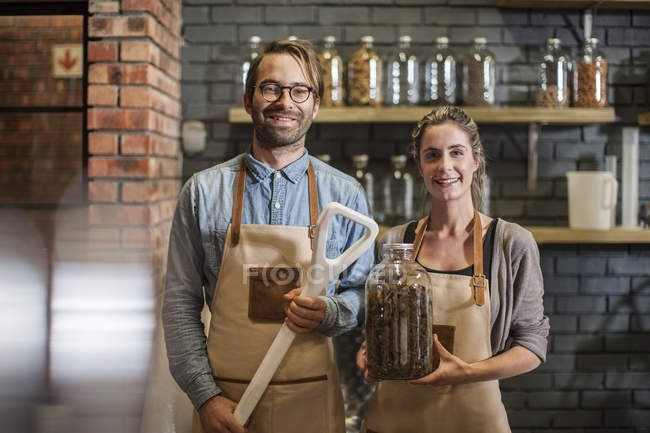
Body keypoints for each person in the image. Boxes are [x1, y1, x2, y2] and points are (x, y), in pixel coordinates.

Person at [163, 39, 374, 433]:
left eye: (299, 91)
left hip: (311, 403)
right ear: (249, 99)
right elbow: (179, 307)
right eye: (270, 88)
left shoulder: (345, 196)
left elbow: (363, 294)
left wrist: (331, 312)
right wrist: (205, 398)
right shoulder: (202, 192)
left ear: (315, 104)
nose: (284, 101)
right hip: (226, 407)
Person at [356, 106, 549, 433]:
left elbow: (532, 346)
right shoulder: (394, 242)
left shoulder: (510, 243)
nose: (445, 166)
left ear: (476, 160)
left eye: (456, 153)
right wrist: (368, 354)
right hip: (391, 421)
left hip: (474, 421)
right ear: (420, 165)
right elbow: (376, 332)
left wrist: (468, 372)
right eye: (432, 155)